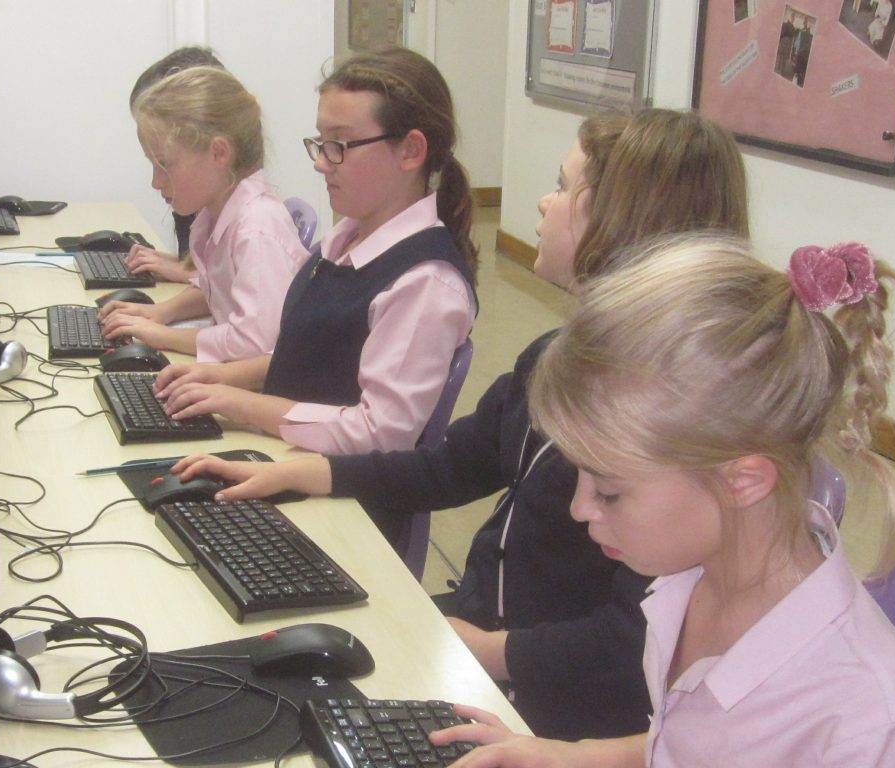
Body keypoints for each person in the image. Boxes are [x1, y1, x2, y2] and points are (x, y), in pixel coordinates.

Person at [168, 108, 751, 740]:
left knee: (271, 720)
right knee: (241, 667)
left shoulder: (677, 426)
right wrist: (304, 473)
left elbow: (628, 643)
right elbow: (447, 468)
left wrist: (476, 647)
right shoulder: (556, 357)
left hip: (556, 705)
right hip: (486, 639)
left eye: (563, 187)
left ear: (621, 221)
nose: (544, 201)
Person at [429, 235, 895, 766]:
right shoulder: (690, 578)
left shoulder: (869, 725)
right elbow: (695, 745)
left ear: (743, 481)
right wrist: (561, 755)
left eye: (608, 490)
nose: (579, 510)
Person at [152, 46, 478, 455]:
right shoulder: (343, 241)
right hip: (285, 452)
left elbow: (380, 433)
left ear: (411, 151)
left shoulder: (425, 283)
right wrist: (220, 380)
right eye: (321, 143)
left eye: (339, 145)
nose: (321, 163)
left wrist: (245, 405)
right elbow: (304, 355)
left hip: (344, 495)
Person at [99, 66, 309, 362]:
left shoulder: (257, 230)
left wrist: (162, 336)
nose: (155, 182)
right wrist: (159, 313)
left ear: (219, 153)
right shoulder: (218, 214)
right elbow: (221, 293)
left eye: (164, 164)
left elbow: (253, 343)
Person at [125, 46, 225, 283]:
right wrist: (180, 265)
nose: (155, 182)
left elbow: (230, 286)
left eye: (164, 164)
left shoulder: (251, 229)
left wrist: (186, 273)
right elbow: (217, 273)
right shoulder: (206, 209)